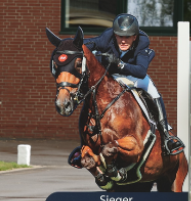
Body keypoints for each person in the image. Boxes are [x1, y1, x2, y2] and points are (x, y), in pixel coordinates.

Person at [68, 13, 184, 169]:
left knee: (152, 90)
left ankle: (166, 137)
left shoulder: (143, 41)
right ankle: (83, 144)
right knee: (89, 88)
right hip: (112, 75)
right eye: (120, 36)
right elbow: (92, 43)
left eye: (128, 37)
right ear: (114, 34)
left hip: (133, 75)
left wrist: (119, 64)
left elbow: (141, 71)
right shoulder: (107, 37)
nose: (123, 40)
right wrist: (71, 45)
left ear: (135, 37)